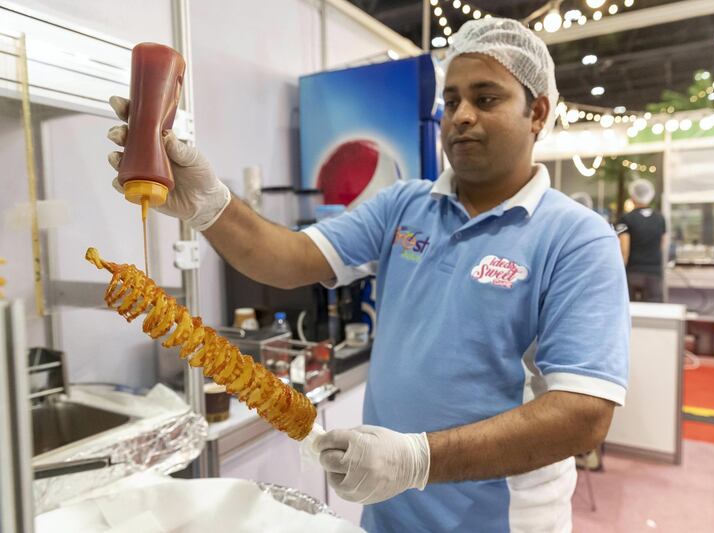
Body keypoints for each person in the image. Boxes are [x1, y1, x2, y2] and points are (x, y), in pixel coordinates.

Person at [106, 18, 629, 533]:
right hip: (388, 514)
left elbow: (582, 413)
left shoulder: (576, 238)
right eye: (451, 101)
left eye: (486, 99)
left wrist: (416, 460)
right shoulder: (406, 206)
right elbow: (286, 258)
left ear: (537, 112)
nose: (461, 116)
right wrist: (209, 204)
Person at [617, 178, 666, 302]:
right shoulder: (660, 219)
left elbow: (624, 250)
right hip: (654, 273)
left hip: (633, 273)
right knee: (653, 313)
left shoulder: (626, 219)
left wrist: (619, 273)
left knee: (631, 312)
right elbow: (662, 245)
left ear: (632, 197)